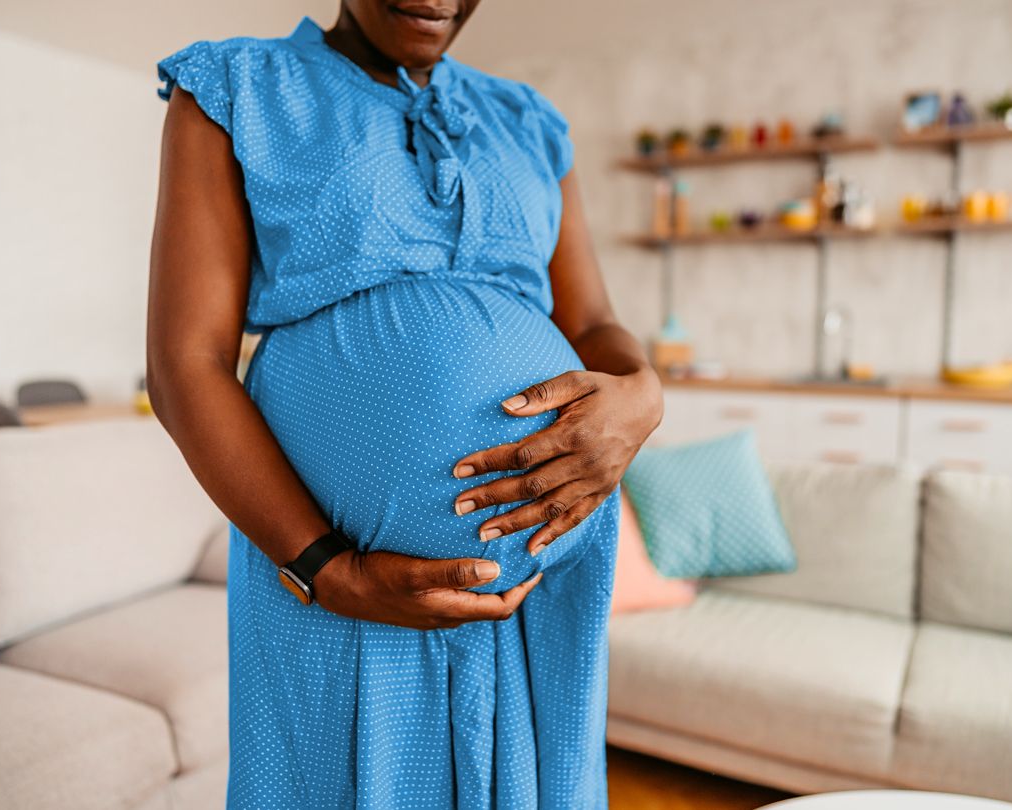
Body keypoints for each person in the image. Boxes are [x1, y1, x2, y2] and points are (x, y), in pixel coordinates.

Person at [146, 1, 663, 806]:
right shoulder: (237, 89)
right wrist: (328, 569)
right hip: (329, 576)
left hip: (538, 594)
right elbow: (186, 364)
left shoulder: (528, 123)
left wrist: (642, 394)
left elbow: (592, 323)